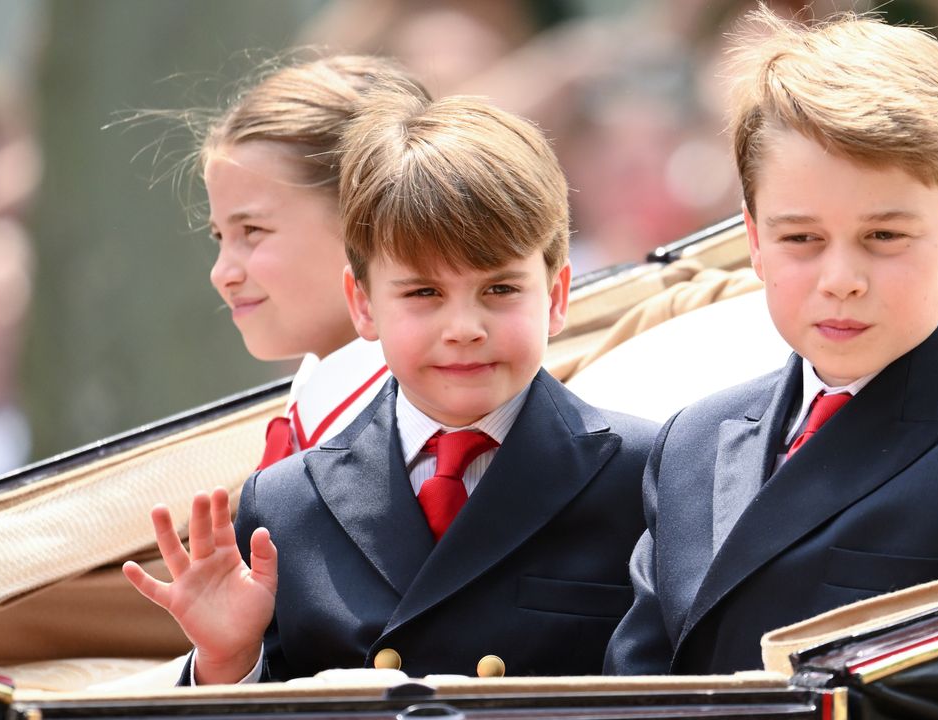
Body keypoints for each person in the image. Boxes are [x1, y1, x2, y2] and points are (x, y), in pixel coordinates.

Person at [604, 8, 938, 676]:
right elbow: (633, 683)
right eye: (801, 239)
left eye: (883, 237)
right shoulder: (693, 441)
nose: (841, 280)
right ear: (754, 242)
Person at [124, 90, 657, 683]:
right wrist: (228, 660)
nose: (463, 330)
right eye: (423, 293)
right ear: (363, 303)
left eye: (500, 290)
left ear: (556, 296)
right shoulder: (285, 503)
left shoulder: (643, 474)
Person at [198, 55, 430, 469]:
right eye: (219, 237)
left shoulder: (425, 436)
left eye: (251, 231)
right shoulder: (313, 415)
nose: (222, 274)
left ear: (370, 222)